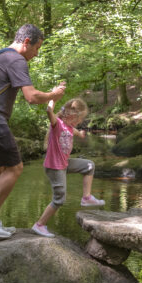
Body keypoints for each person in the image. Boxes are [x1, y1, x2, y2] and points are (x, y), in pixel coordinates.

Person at [0, 24, 66, 239]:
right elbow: (31, 97)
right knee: (15, 167)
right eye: (36, 48)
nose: (36, 54)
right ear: (26, 42)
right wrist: (53, 95)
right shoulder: (16, 59)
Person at [32, 97, 105, 238]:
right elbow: (49, 111)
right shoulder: (57, 124)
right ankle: (39, 225)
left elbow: (77, 132)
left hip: (64, 164)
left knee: (89, 165)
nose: (80, 122)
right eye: (80, 119)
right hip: (54, 166)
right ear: (72, 115)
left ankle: (87, 197)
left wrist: (82, 134)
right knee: (59, 199)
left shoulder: (70, 127)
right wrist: (53, 98)